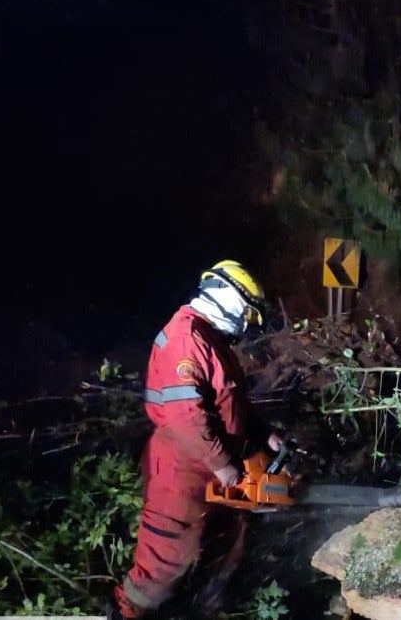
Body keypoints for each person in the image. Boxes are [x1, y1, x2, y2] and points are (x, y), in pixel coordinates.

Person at [111, 260, 283, 619]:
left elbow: (230, 402)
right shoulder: (186, 338)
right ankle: (126, 613)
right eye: (248, 317)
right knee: (168, 556)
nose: (247, 328)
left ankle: (203, 609)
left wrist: (263, 434)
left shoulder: (210, 340)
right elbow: (186, 416)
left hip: (213, 463)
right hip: (182, 466)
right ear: (234, 304)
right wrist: (222, 465)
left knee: (224, 543)